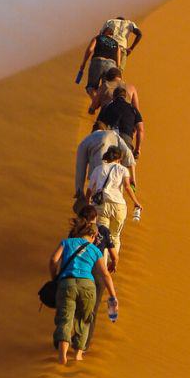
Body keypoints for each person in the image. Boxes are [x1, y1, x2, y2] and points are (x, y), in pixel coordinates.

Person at [49, 211, 118, 364]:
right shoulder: (94, 249)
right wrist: (113, 296)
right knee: (84, 319)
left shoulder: (67, 242)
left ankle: (62, 356)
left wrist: (54, 277)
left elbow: (54, 260)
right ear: (93, 237)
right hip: (88, 285)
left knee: (65, 319)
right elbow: (105, 274)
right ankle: (78, 355)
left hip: (67, 283)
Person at [86, 146, 142, 257]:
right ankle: (113, 263)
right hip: (118, 206)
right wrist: (136, 202)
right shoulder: (123, 169)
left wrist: (87, 204)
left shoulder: (98, 169)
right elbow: (127, 186)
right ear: (119, 158)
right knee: (115, 236)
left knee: (102, 236)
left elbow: (89, 189)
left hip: (101, 206)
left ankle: (102, 265)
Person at [74, 128, 136, 200]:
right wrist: (133, 179)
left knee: (96, 202)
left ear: (92, 131)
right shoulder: (114, 135)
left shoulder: (86, 141)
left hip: (97, 175)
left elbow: (80, 168)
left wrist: (79, 191)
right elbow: (129, 155)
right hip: (116, 175)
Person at [96, 86, 144, 158]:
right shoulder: (133, 109)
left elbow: (98, 126)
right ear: (125, 97)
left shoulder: (106, 107)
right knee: (127, 166)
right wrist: (137, 149)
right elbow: (140, 130)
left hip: (109, 138)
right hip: (126, 140)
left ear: (113, 96)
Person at [77, 26, 121, 100]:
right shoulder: (117, 44)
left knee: (91, 87)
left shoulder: (97, 38)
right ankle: (104, 107)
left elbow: (90, 49)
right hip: (111, 65)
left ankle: (95, 102)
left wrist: (83, 63)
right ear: (112, 35)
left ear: (103, 32)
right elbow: (118, 63)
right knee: (106, 90)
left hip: (98, 62)